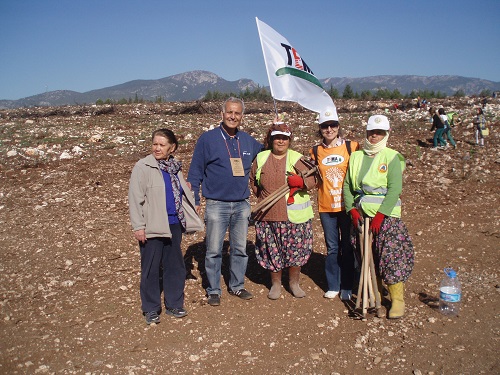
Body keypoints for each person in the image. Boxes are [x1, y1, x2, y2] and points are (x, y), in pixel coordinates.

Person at [187, 97, 263, 306]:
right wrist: (194, 198)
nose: (233, 116)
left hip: (241, 204)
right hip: (216, 203)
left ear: (242, 117)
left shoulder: (247, 140)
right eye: (229, 112)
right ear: (222, 114)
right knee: (213, 250)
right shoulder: (208, 139)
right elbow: (195, 171)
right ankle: (213, 289)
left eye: (237, 113)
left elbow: (269, 151)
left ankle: (237, 286)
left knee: (239, 248)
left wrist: (275, 128)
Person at [343, 115, 414, 319]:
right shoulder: (356, 156)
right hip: (361, 215)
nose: (374, 136)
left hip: (386, 217)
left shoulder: (392, 157)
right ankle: (376, 294)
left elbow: (394, 190)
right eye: (371, 132)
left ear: (386, 134)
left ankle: (397, 299)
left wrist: (381, 215)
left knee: (391, 256)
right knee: (367, 255)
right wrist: (351, 209)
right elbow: (348, 186)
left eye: (379, 133)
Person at [128, 128, 192, 324]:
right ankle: (151, 308)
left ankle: (174, 304)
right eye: (155, 144)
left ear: (171, 148)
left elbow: (179, 192)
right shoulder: (143, 166)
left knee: (174, 266)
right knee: (151, 268)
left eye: (162, 145)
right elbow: (135, 198)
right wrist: (139, 226)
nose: (157, 148)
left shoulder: (175, 167)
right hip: (152, 225)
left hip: (173, 223)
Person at [250, 122, 316, 299]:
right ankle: (276, 284)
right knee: (272, 251)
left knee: (295, 251)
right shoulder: (261, 158)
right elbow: (253, 181)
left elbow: (313, 180)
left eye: (284, 138)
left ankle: (293, 283)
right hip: (267, 215)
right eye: (277, 137)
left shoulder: (297, 158)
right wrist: (262, 196)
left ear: (289, 140)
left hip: (293, 217)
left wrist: (301, 183)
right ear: (271, 139)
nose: (280, 141)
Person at [309, 108, 360, 301]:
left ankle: (347, 284)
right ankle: (333, 285)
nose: (329, 129)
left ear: (338, 127)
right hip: (326, 206)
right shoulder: (315, 151)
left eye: (332, 125)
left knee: (347, 246)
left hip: (347, 206)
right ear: (320, 128)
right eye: (324, 126)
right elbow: (311, 176)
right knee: (332, 247)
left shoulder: (352, 147)